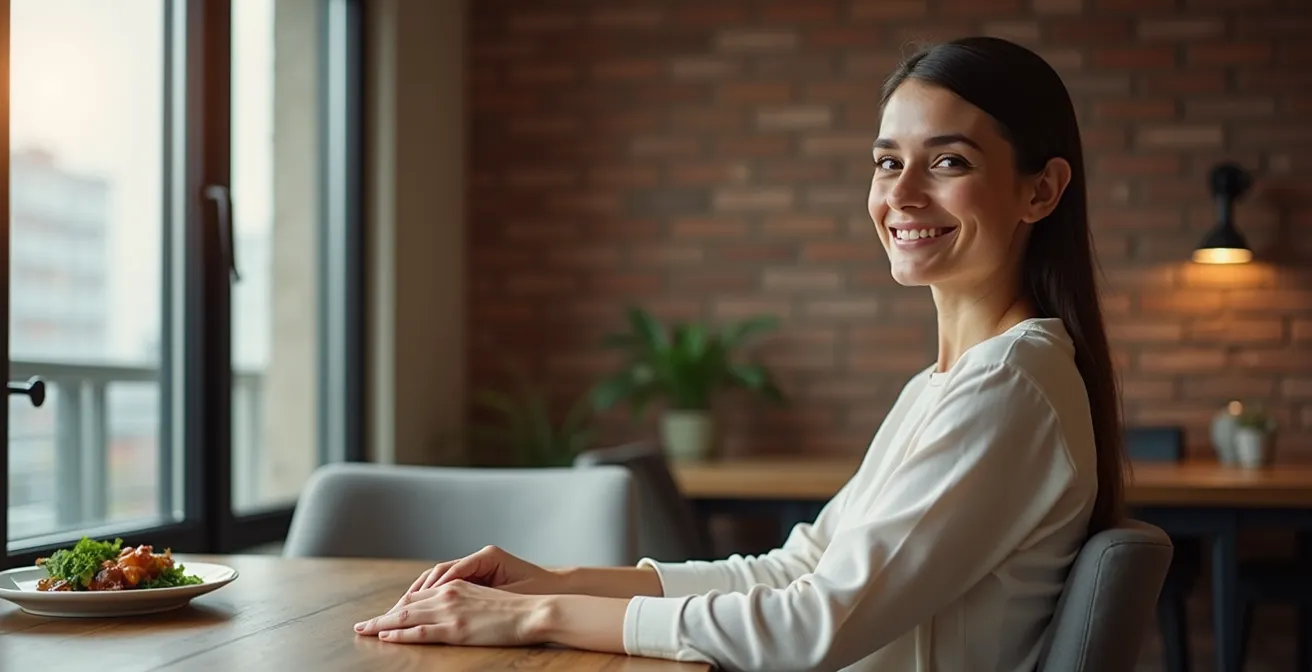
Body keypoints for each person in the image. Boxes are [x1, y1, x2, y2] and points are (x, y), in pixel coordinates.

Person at [352, 35, 1128, 672]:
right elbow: (798, 570)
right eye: (888, 161)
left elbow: (811, 626)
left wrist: (535, 616)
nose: (902, 195)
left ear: (1041, 191)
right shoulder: (948, 384)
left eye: (948, 162)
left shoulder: (1010, 386)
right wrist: (554, 579)